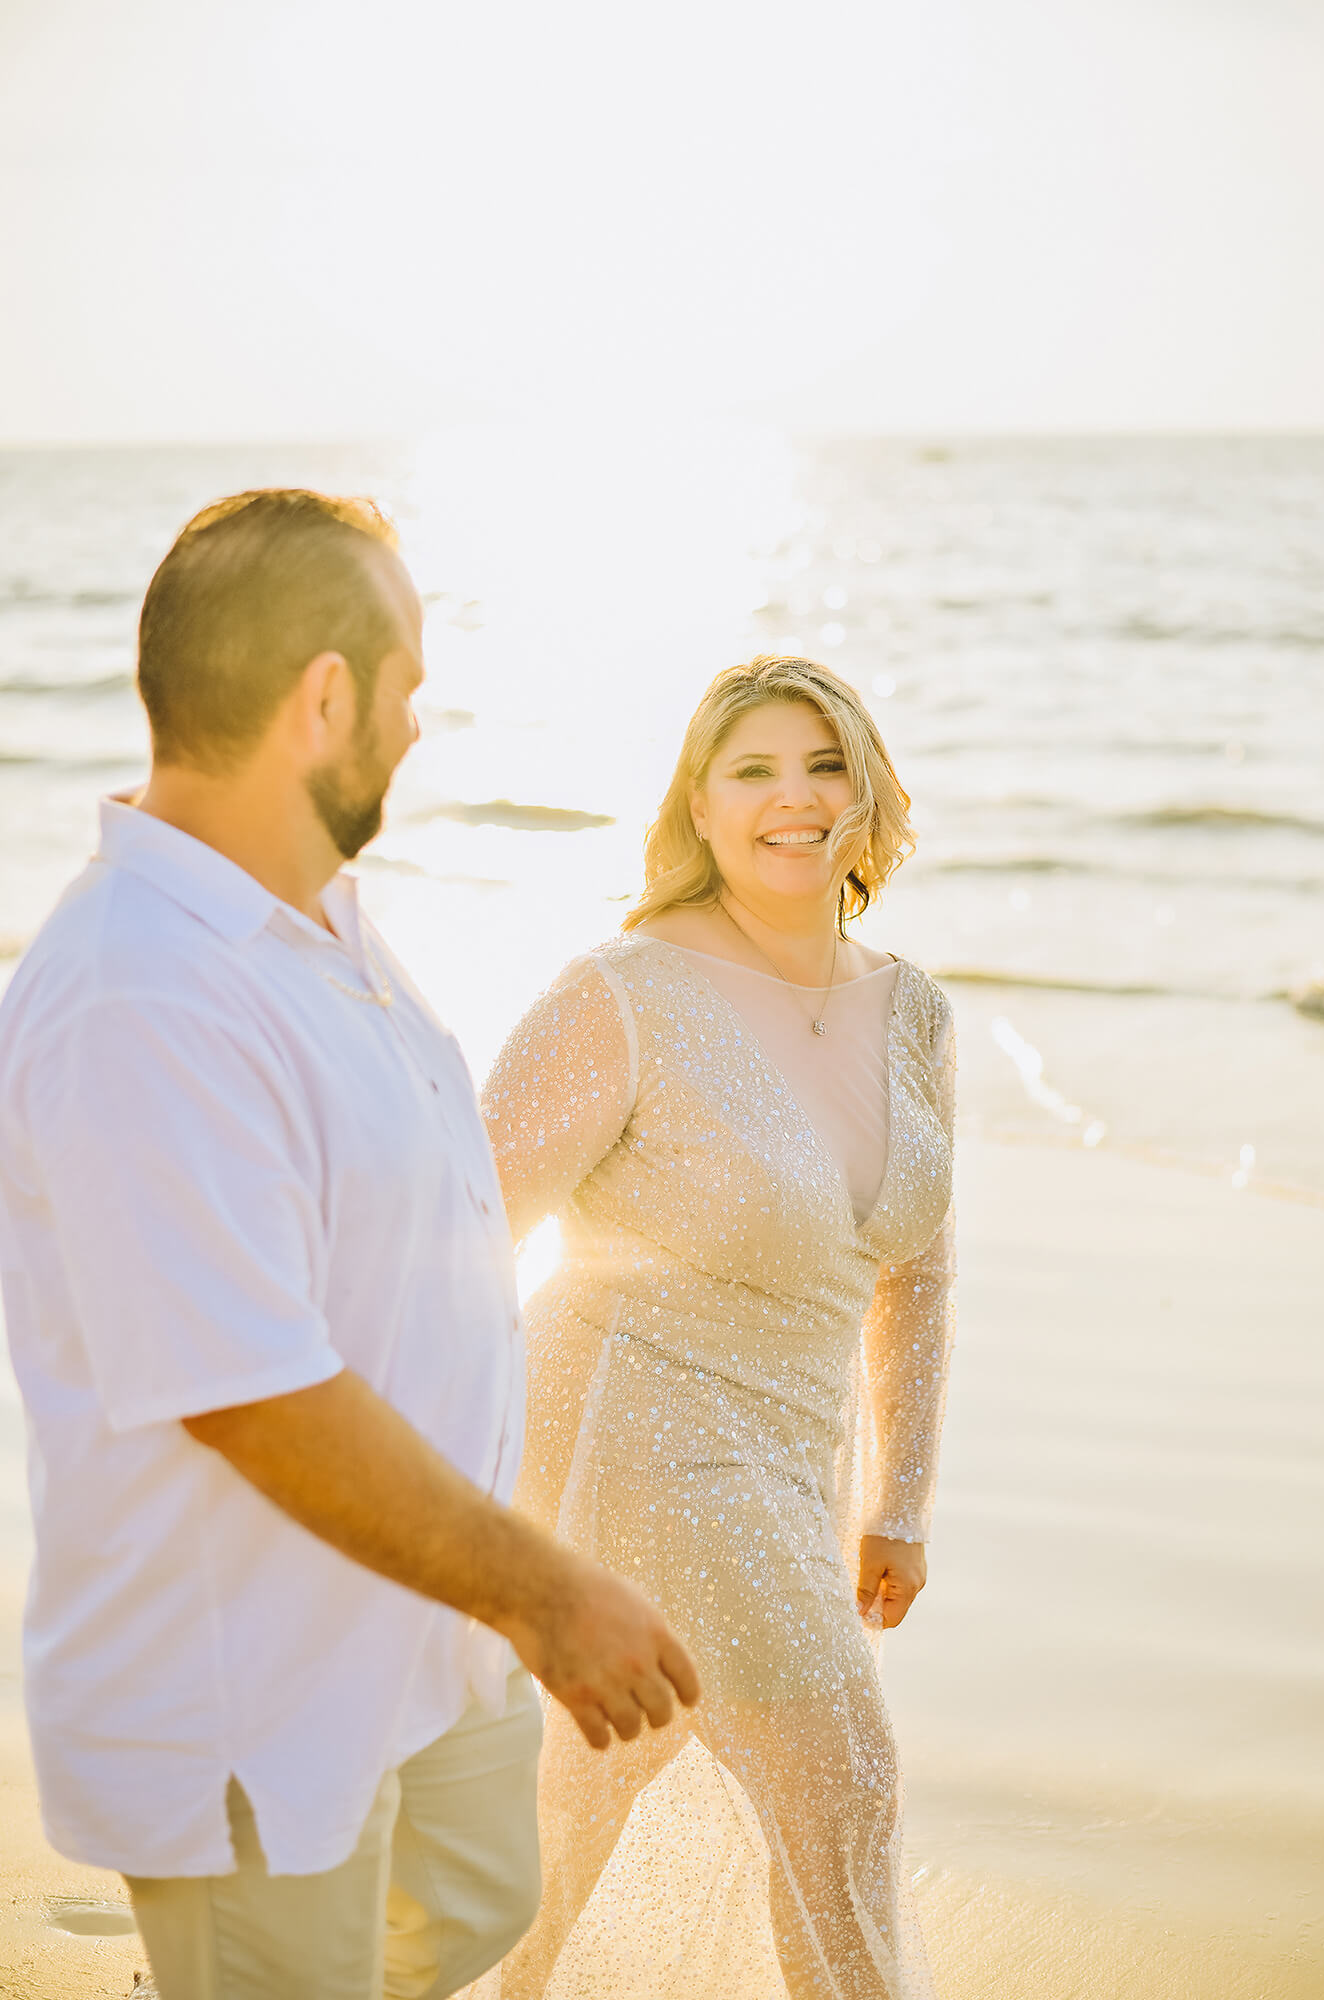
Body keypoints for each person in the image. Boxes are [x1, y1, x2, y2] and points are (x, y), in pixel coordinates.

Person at [0, 490, 698, 2000]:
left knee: (475, 1895)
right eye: (407, 693)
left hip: (407, 1639)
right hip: (252, 1696)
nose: (418, 730)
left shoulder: (314, 918)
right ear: (325, 699)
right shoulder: (142, 997)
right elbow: (245, 1393)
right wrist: (542, 1589)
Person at [479, 656, 955, 1999]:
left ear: (867, 792)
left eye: (822, 764)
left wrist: (897, 1500)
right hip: (634, 1426)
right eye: (752, 769)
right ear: (697, 805)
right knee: (844, 1781)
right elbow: (461, 1225)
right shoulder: (621, 991)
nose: (792, 798)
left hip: (796, 1458)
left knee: (576, 1799)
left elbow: (915, 1274)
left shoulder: (911, 1011)